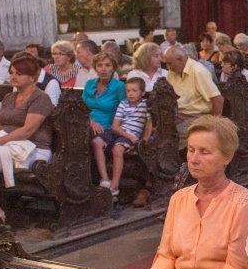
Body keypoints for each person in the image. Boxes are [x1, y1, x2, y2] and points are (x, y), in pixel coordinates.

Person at [151, 116, 248, 269]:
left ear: (227, 157)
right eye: (191, 150)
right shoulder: (179, 198)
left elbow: (237, 267)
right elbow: (166, 257)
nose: (194, 159)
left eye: (204, 152)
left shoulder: (241, 201)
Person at [0, 55, 54, 221]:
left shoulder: (41, 98)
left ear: (32, 77)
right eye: (11, 73)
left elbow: (27, 130)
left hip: (32, 149)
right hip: (6, 144)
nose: (13, 76)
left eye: (19, 73)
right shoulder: (9, 97)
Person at [100, 76, 151, 204]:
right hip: (121, 132)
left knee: (117, 149)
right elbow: (115, 126)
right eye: (128, 91)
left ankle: (114, 185)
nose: (131, 94)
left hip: (130, 135)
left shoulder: (145, 105)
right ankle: (103, 179)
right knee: (97, 143)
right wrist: (129, 137)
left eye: (134, 91)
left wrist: (144, 140)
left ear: (142, 93)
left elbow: (149, 124)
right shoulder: (123, 104)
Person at [82, 55, 126, 188]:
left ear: (113, 68)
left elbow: (125, 110)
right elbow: (81, 107)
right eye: (100, 65)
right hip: (86, 124)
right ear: (95, 68)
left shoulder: (119, 87)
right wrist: (90, 121)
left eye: (107, 65)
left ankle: (105, 180)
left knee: (96, 141)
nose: (103, 69)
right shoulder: (90, 84)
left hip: (108, 127)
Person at [163, 45, 223, 140]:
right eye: (166, 64)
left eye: (170, 63)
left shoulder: (198, 71)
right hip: (177, 115)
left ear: (180, 59)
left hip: (197, 116)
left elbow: (218, 100)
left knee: (171, 134)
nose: (168, 67)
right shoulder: (172, 72)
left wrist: (212, 126)